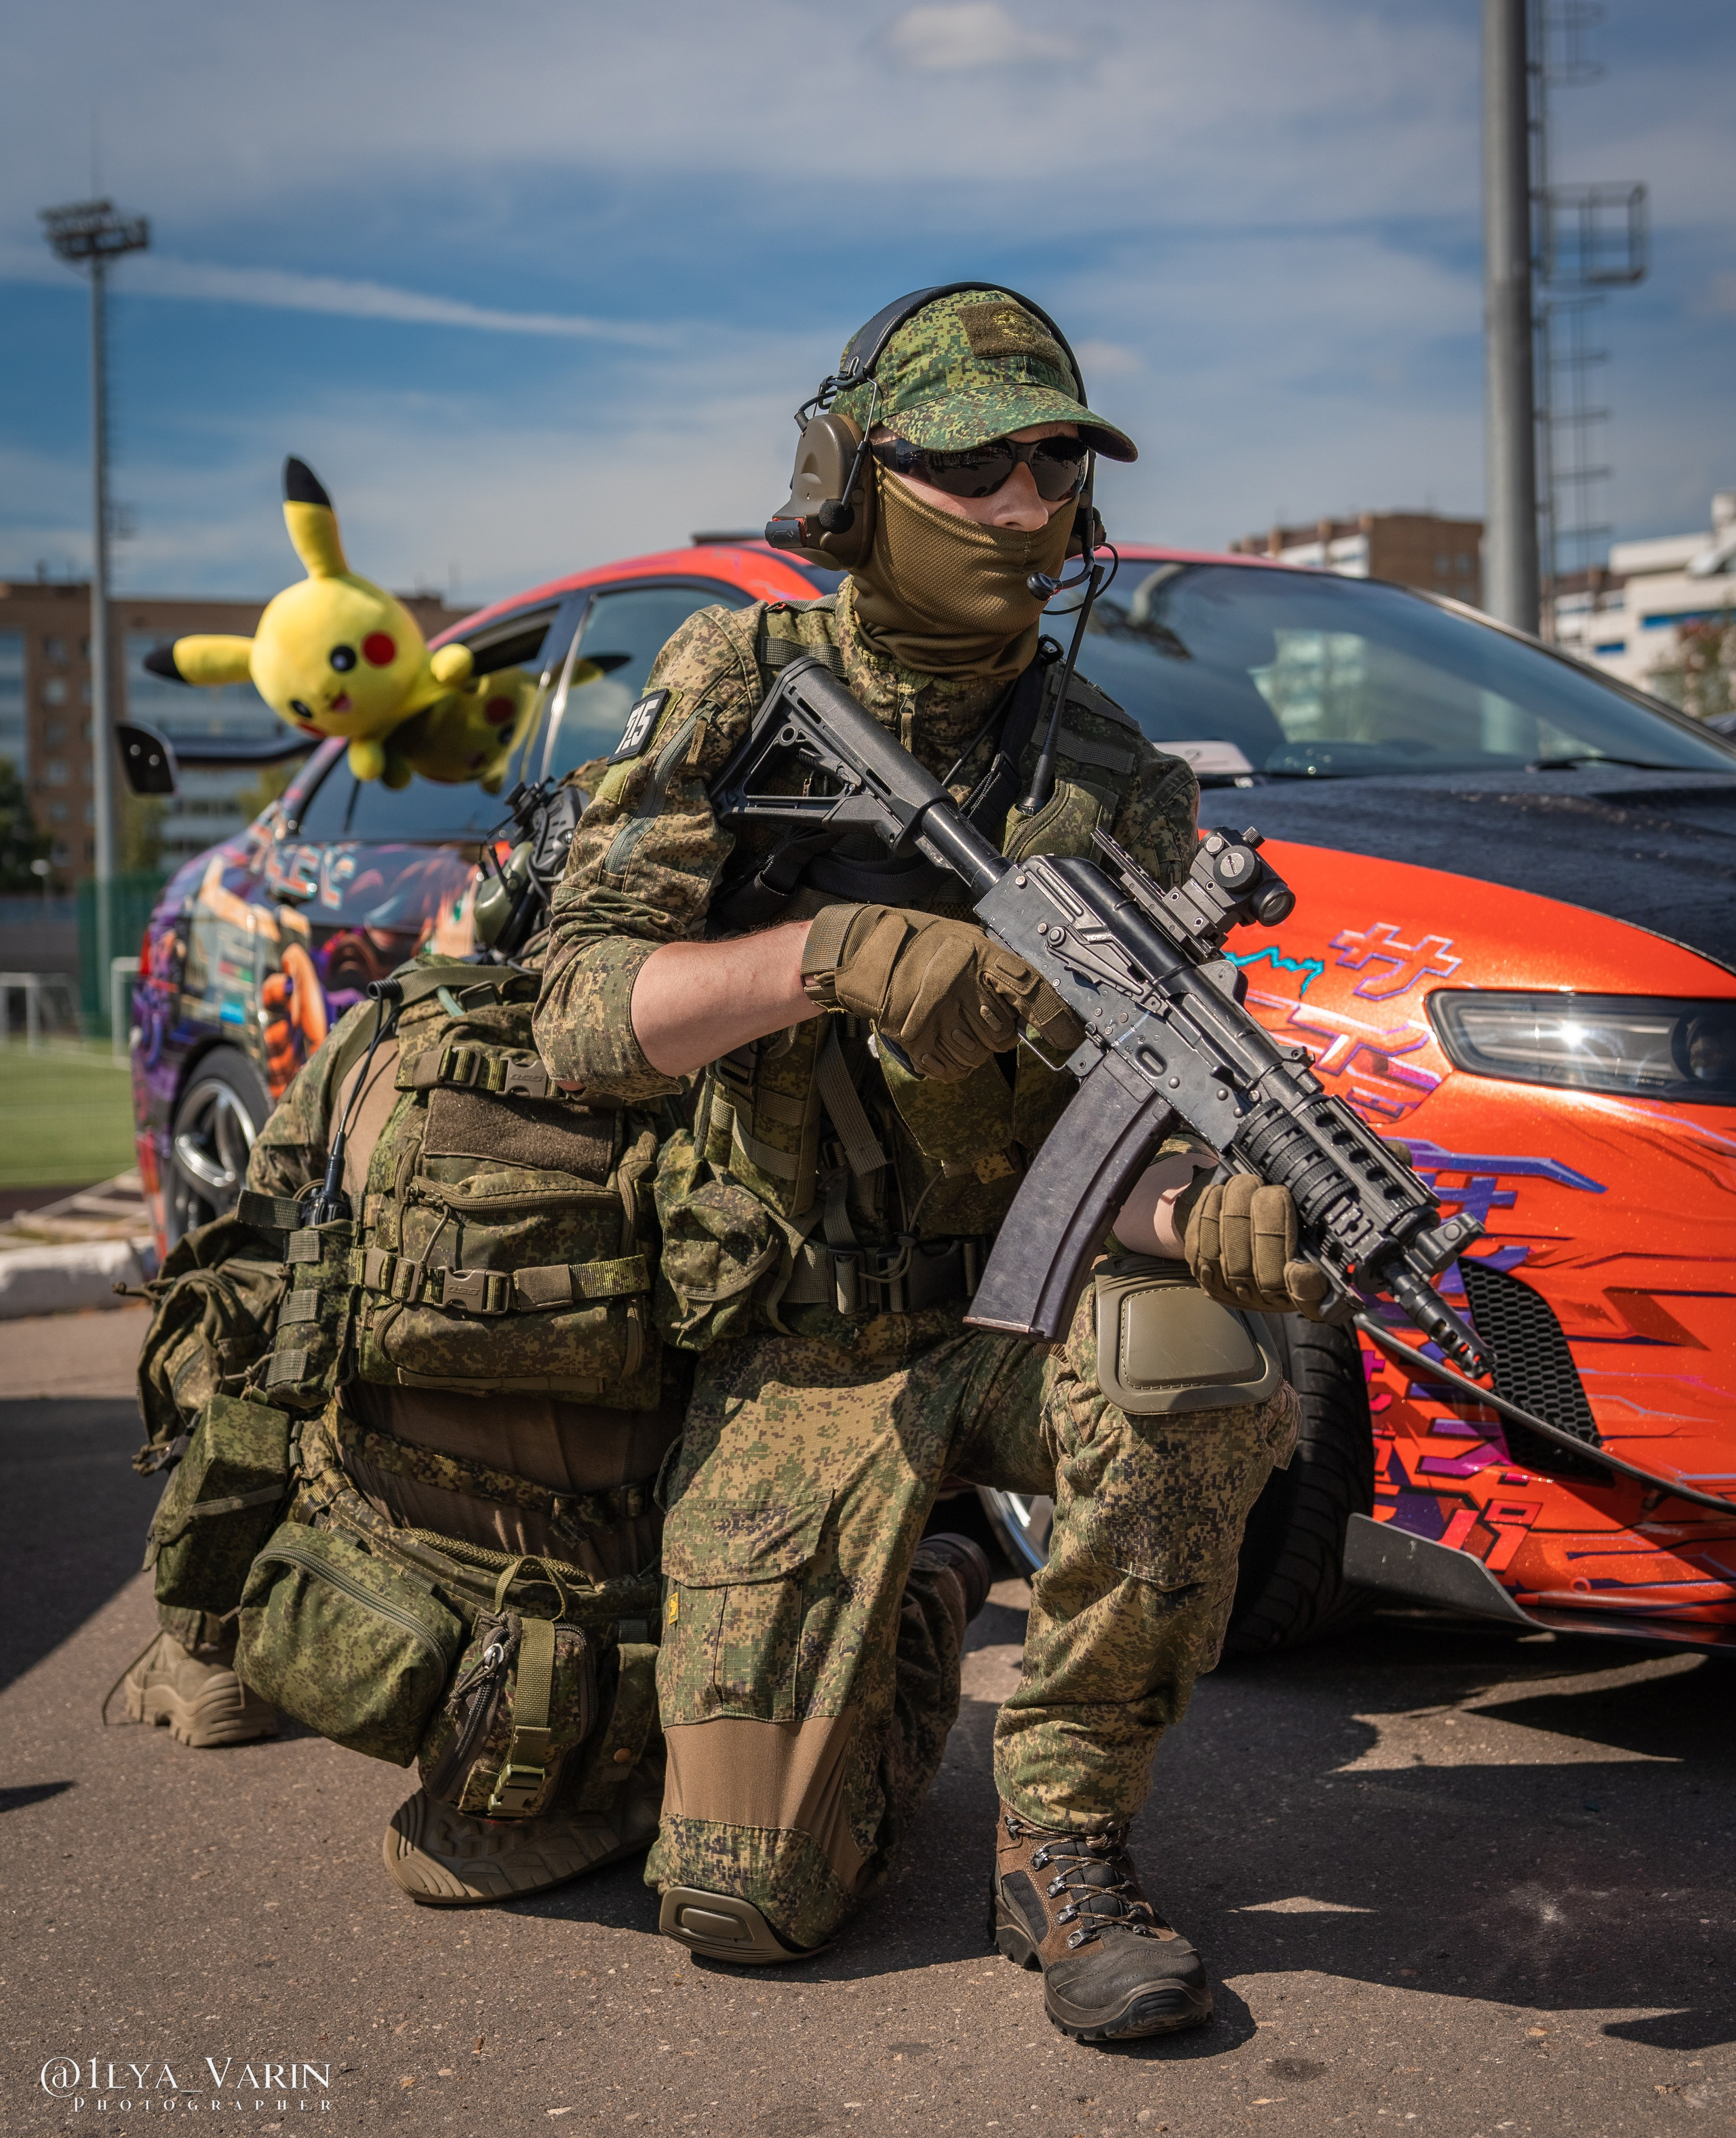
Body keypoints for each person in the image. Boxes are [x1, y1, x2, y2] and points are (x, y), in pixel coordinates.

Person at [533, 286, 1318, 2043]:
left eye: (1057, 463)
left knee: (1199, 1359)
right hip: (794, 1333)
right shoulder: (738, 685)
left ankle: (1064, 1836)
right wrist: (826, 960)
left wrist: (1215, 1214)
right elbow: (577, 1021)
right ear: (849, 476)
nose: (1030, 506)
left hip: (1012, 1319)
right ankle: (922, 1589)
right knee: (747, 1905)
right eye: (975, 464)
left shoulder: (1113, 773)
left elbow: (1118, 1142)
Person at [121, 785, 679, 1911]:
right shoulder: (739, 1066)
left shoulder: (383, 1037)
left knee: (243, 1305)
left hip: (381, 1606)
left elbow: (251, 1274)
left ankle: (204, 1647)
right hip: (631, 1645)